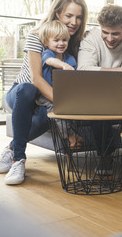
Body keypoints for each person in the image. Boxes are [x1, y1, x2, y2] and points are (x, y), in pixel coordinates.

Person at [0, 0, 88, 185]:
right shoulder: (37, 36)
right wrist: (65, 104)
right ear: (57, 14)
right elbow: (36, 79)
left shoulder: (74, 43)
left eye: (79, 17)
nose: (74, 22)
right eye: (69, 16)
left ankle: (11, 149)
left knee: (48, 116)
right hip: (22, 93)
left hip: (46, 101)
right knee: (27, 89)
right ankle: (18, 159)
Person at [34, 19, 82, 149]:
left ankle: (74, 133)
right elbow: (49, 61)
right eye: (56, 40)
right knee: (55, 110)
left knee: (72, 111)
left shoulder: (70, 58)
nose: (61, 43)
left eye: (64, 40)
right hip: (46, 95)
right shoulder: (47, 54)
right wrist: (62, 65)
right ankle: (70, 136)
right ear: (46, 42)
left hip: (65, 95)